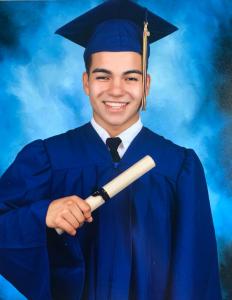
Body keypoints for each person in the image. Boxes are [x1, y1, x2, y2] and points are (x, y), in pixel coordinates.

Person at [0, 1, 222, 299]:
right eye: (103, 76)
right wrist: (43, 214)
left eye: (131, 77)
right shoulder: (47, 159)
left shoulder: (178, 166)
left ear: (147, 85)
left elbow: (196, 276)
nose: (116, 90)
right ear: (86, 83)